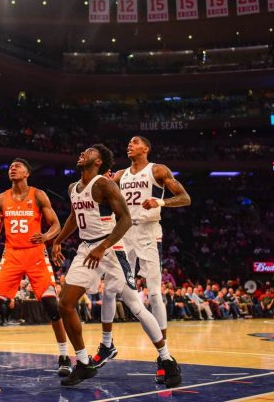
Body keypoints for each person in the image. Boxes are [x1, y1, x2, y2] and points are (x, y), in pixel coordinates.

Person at [51, 145, 181, 387]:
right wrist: (58, 241)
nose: (81, 153)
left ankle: (167, 359)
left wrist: (103, 247)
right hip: (87, 248)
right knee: (65, 303)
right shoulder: (73, 188)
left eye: (88, 152)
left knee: (134, 303)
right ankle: (83, 362)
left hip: (110, 248)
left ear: (98, 161)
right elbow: (73, 217)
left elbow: (126, 219)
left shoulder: (104, 184)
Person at [0, 158, 72, 377]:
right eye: (11, 166)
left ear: (27, 173)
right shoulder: (1, 199)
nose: (13, 168)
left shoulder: (38, 195)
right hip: (11, 254)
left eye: (18, 166)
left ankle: (64, 356)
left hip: (36, 255)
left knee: (52, 307)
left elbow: (56, 225)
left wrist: (46, 236)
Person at [97, 136, 190, 383]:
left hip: (149, 234)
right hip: (124, 232)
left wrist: (159, 201)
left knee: (155, 293)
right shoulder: (119, 175)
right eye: (127, 142)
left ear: (146, 148)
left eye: (135, 142)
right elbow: (99, 193)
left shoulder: (157, 170)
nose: (129, 144)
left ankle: (164, 357)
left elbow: (185, 198)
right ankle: (107, 344)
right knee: (110, 288)